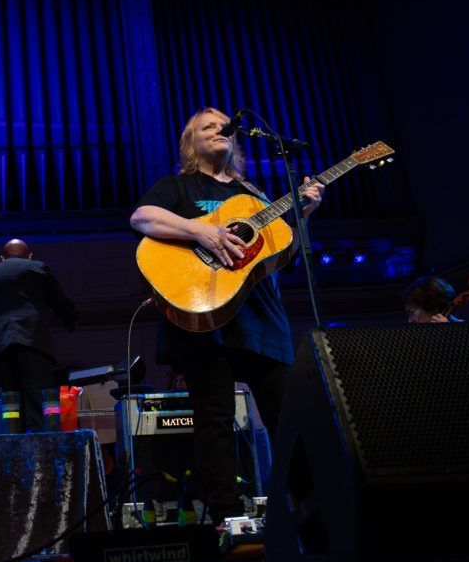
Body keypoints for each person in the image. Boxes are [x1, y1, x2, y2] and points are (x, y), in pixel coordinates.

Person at [129, 107, 325, 523]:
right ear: (191, 142)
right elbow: (141, 217)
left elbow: (280, 251)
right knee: (214, 418)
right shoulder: (178, 186)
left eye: (223, 127)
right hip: (204, 312)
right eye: (208, 127)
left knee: (288, 416)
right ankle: (225, 516)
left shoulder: (254, 195)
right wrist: (202, 230)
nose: (219, 130)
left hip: (262, 318)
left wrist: (303, 211)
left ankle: (311, 512)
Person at [0, 238, 78, 432]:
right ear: (29, 256)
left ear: (2, 258)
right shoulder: (37, 268)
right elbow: (60, 300)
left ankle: (12, 457)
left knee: (9, 411)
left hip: (0, 351)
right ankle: (43, 457)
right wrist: (71, 319)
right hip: (33, 345)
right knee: (40, 407)